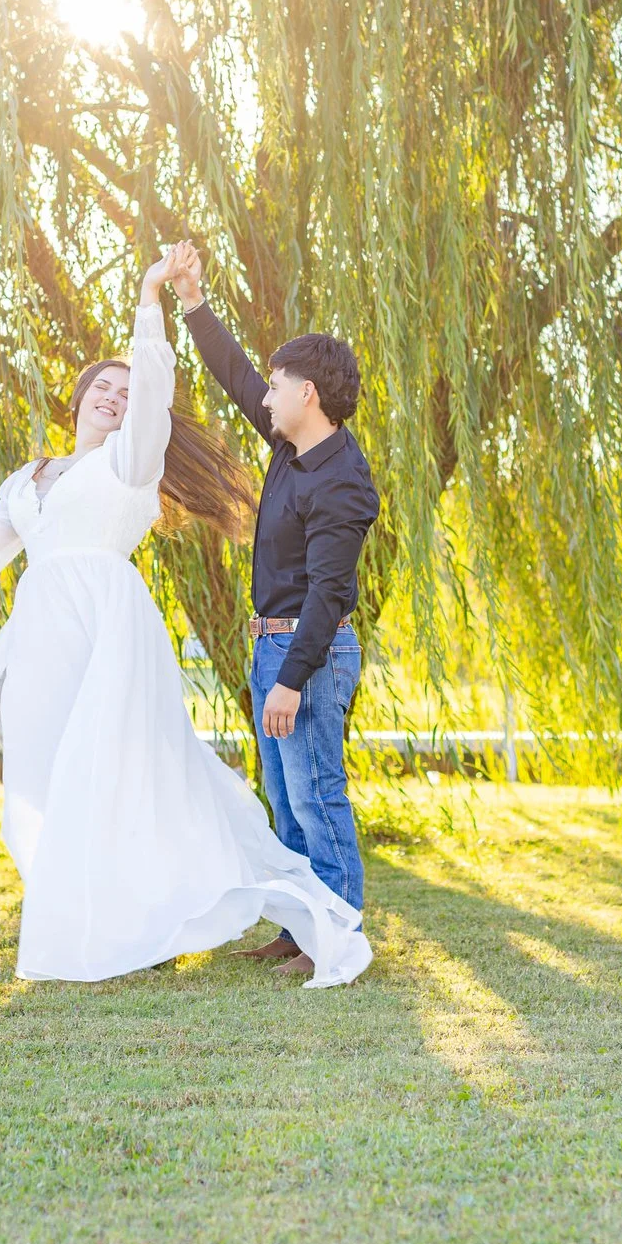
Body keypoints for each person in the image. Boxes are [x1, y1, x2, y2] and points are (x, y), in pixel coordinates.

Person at [0, 249, 373, 989]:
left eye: (125, 389)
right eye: (103, 388)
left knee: (161, 777)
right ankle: (114, 916)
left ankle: (313, 921)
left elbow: (156, 389)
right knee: (54, 775)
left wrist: (153, 300)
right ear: (77, 400)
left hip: (118, 634)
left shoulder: (133, 464)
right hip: (45, 634)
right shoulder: (30, 480)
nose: (116, 397)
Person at [165, 242, 379, 980]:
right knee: (286, 804)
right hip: (271, 651)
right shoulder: (292, 449)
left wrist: (290, 678)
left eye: (280, 385)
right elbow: (236, 376)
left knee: (318, 797)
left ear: (309, 395)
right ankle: (298, 929)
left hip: (307, 657)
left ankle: (336, 941)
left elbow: (329, 595)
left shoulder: (343, 480)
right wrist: (193, 299)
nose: (266, 396)